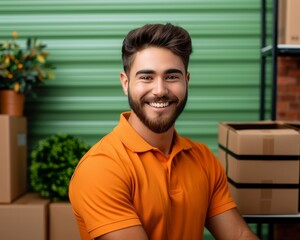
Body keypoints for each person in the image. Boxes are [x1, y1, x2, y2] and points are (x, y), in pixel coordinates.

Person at [69, 23, 258, 240]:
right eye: (146, 77)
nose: (160, 90)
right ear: (125, 82)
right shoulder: (102, 167)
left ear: (186, 81)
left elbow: (239, 234)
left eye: (171, 77)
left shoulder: (203, 158)